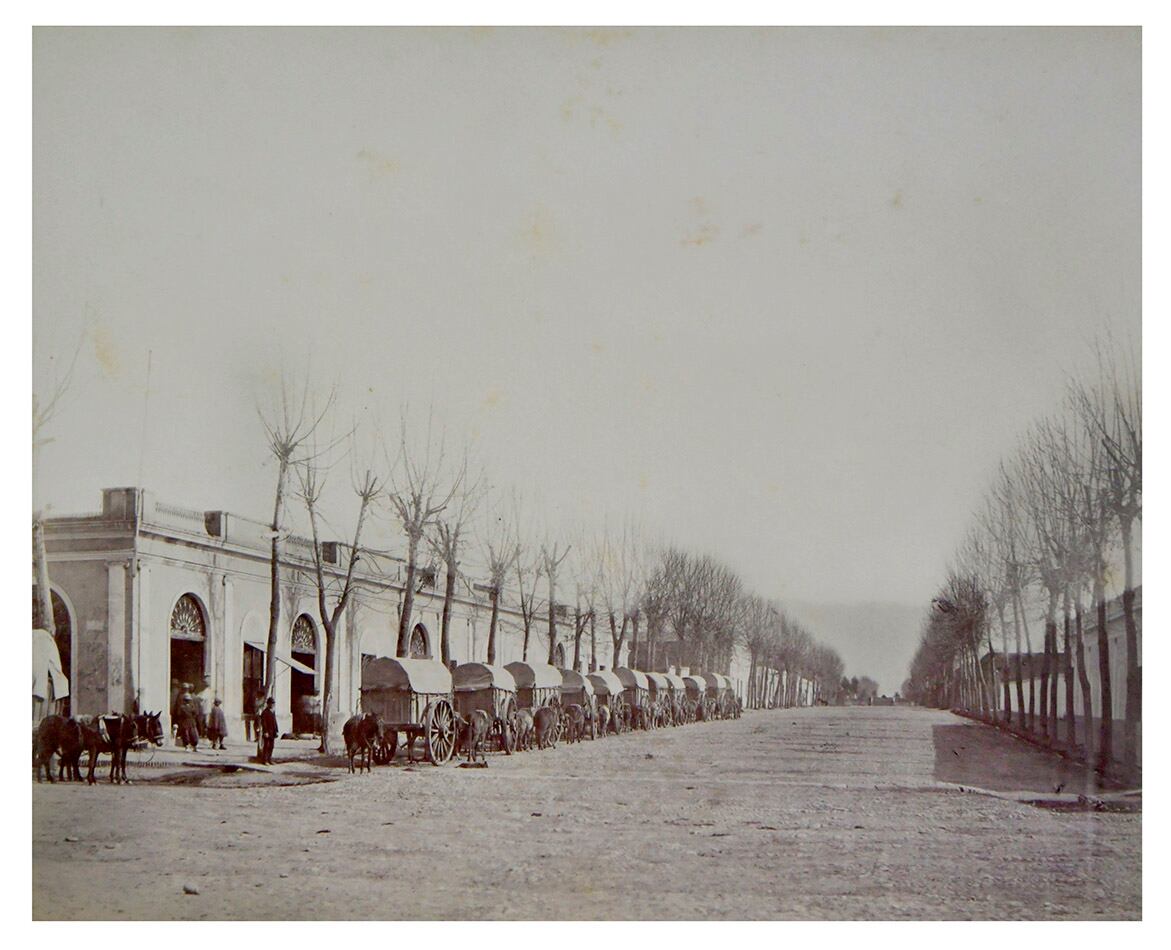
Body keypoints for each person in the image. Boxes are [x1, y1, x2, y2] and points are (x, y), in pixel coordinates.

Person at [259, 696, 278, 764]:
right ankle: (265, 760)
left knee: (271, 746)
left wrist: (276, 730)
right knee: (266, 746)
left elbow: (275, 722)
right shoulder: (265, 712)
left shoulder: (273, 712)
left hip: (272, 732)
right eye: (271, 703)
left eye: (273, 703)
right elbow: (263, 723)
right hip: (267, 732)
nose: (272, 705)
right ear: (268, 704)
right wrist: (265, 732)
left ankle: (269, 759)